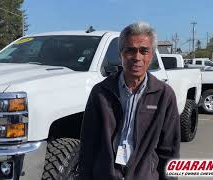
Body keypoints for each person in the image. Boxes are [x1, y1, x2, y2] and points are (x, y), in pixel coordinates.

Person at [76, 22, 180, 180]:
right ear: (121, 54)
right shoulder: (101, 92)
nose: (137, 57)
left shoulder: (164, 95)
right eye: (130, 50)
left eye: (144, 51)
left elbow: (169, 152)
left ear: (151, 55)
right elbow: (88, 145)